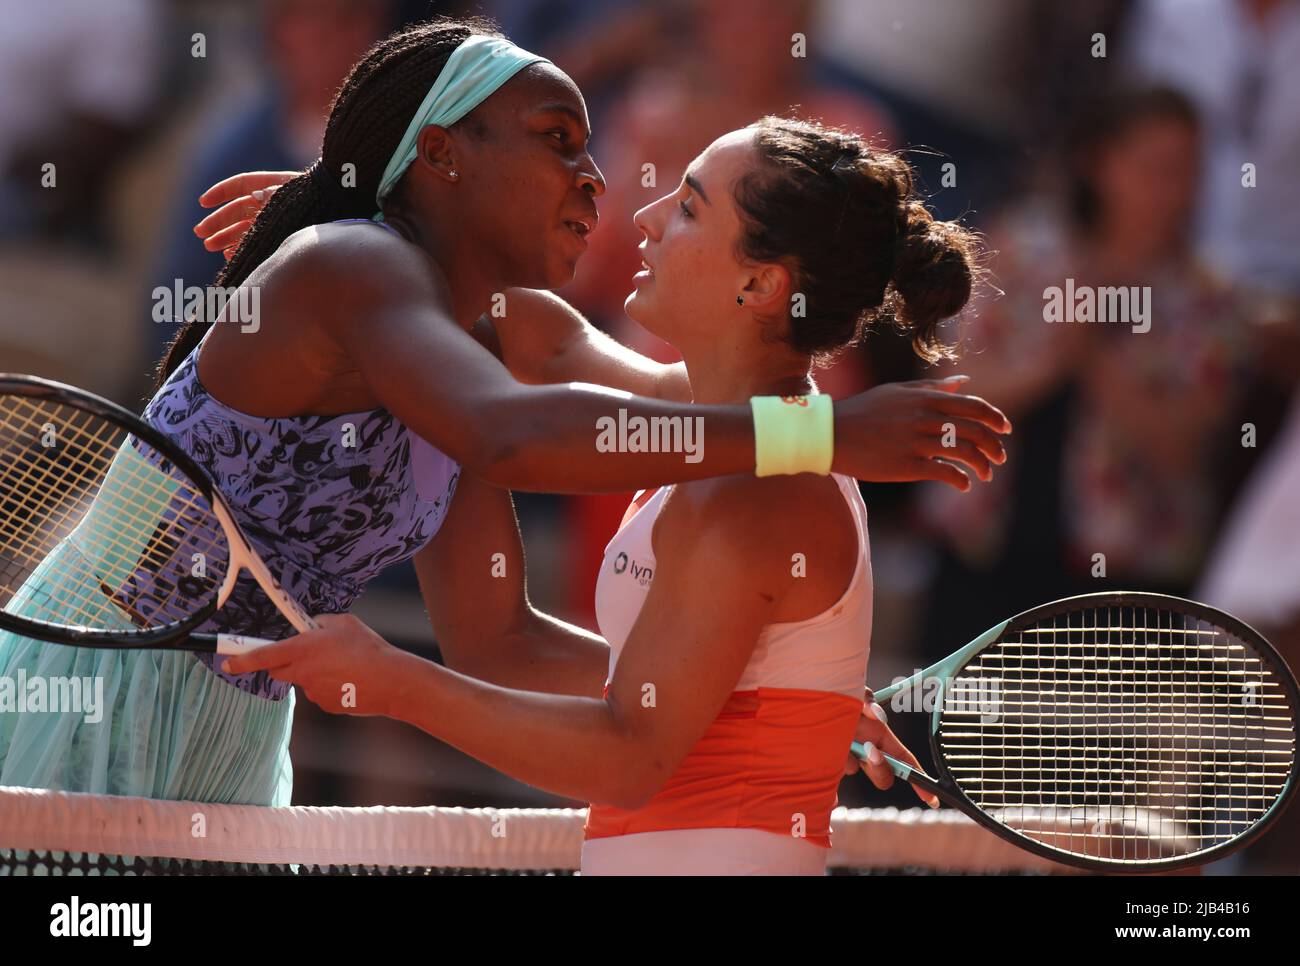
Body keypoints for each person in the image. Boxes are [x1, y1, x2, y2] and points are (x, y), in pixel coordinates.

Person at [0, 18, 1008, 808]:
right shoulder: (353, 266)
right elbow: (515, 437)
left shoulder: (485, 331)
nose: (599, 178)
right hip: (89, 684)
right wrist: (823, 433)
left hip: (231, 733)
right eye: (556, 140)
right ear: (441, 155)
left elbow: (504, 641)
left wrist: (772, 703)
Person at [226, 116, 982, 874]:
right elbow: (541, 342)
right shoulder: (718, 423)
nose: (646, 219)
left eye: (688, 207)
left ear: (760, 283)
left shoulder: (759, 488)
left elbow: (629, 757)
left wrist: (394, 683)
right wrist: (348, 243)